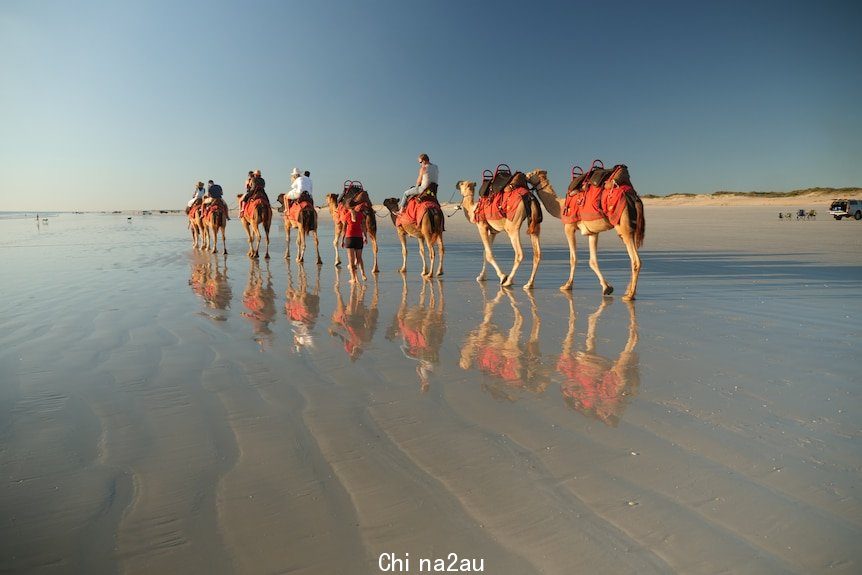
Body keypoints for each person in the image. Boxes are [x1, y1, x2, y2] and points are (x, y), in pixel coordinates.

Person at [342, 202, 367, 283]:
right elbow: (363, 227)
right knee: (359, 258)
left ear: (349, 208)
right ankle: (363, 274)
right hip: (359, 238)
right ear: (355, 207)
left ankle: (353, 278)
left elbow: (344, 229)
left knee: (351, 261)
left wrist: (342, 240)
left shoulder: (346, 215)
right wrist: (365, 237)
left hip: (349, 239)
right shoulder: (360, 215)